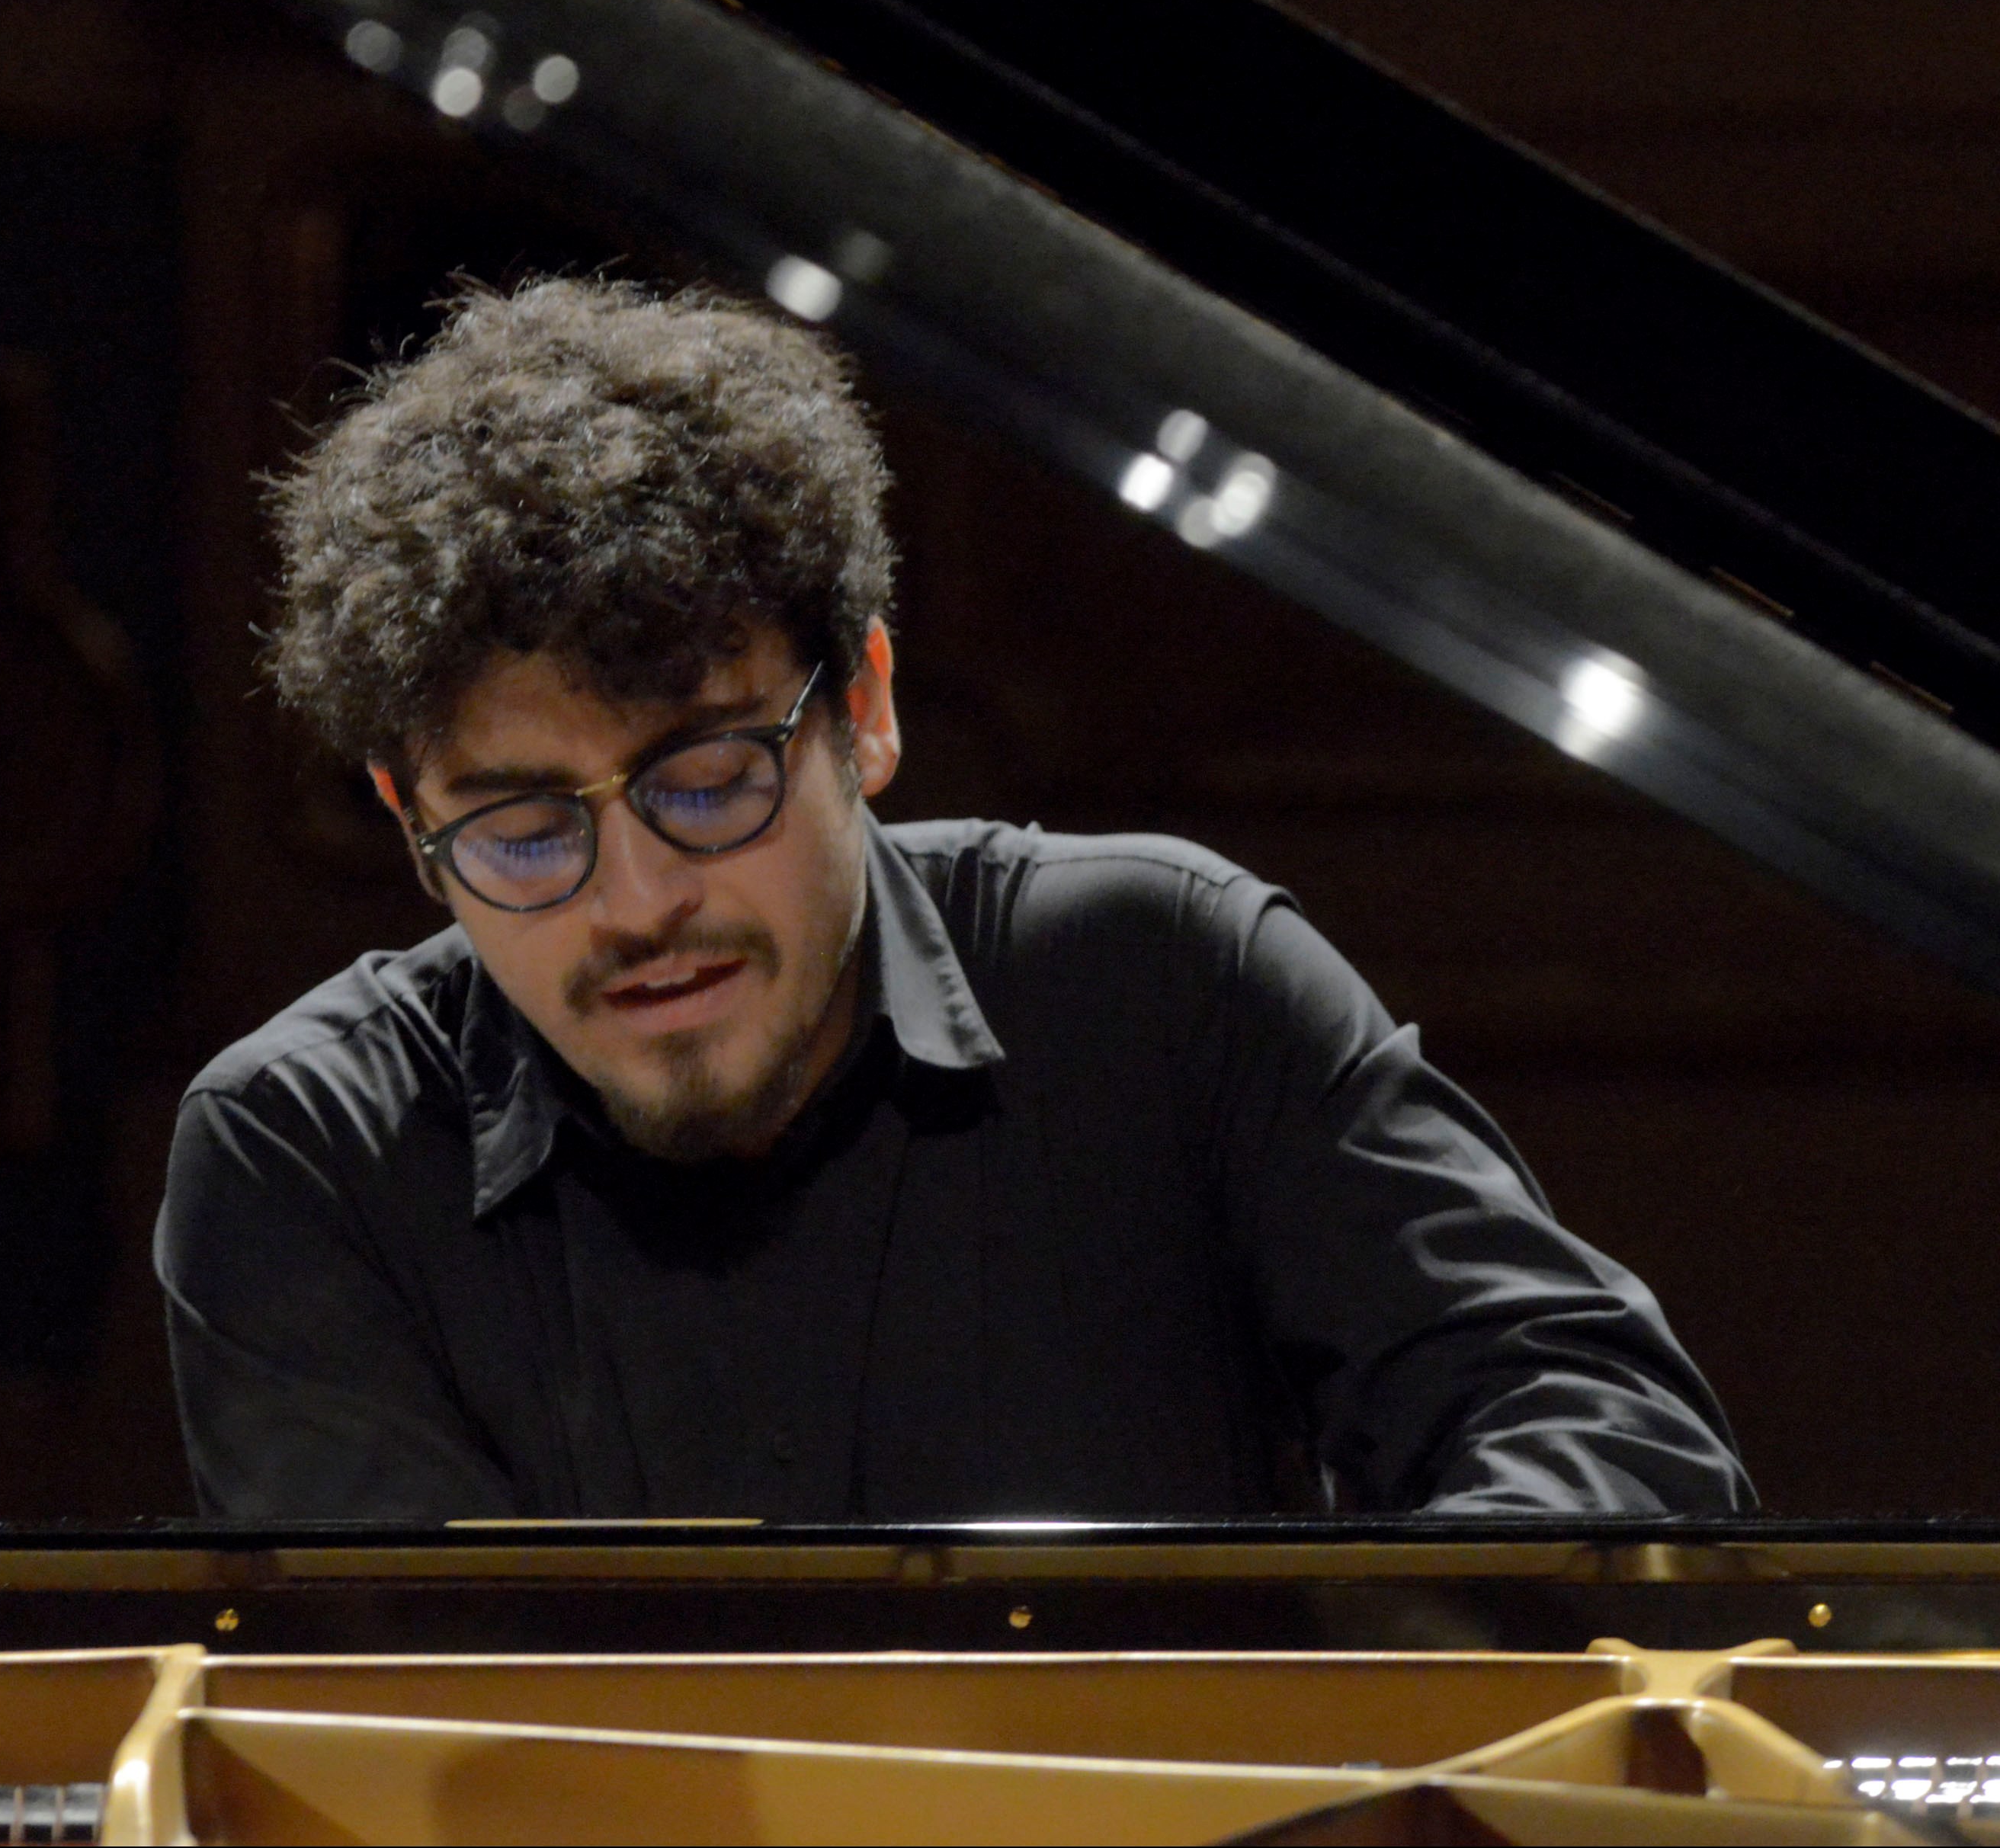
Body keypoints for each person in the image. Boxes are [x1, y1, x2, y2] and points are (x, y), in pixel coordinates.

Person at [158, 277, 1752, 1520]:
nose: (634, 902)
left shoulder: (1166, 981)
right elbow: (394, 1743)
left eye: (706, 783)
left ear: (863, 707)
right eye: (518, 832)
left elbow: (1607, 1440)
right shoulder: (309, 1158)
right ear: (405, 818)